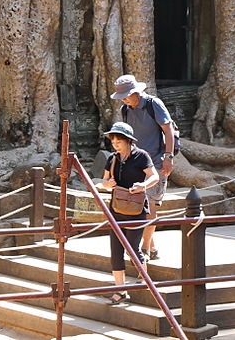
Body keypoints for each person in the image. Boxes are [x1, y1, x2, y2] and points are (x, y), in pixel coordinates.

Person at [110, 74, 175, 261]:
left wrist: (168, 157)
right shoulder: (126, 110)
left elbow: (168, 130)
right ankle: (152, 247)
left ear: (137, 92)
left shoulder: (153, 104)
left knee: (150, 205)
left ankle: (145, 249)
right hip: (136, 161)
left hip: (155, 161)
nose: (124, 99)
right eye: (121, 96)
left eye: (127, 95)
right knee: (139, 204)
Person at [99, 121, 158, 305]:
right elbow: (104, 181)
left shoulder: (141, 156)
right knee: (116, 250)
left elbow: (154, 176)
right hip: (116, 209)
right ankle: (120, 289)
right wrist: (108, 184)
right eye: (113, 140)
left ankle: (143, 276)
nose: (115, 143)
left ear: (128, 141)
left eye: (119, 140)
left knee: (133, 247)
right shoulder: (112, 158)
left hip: (136, 209)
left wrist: (143, 186)